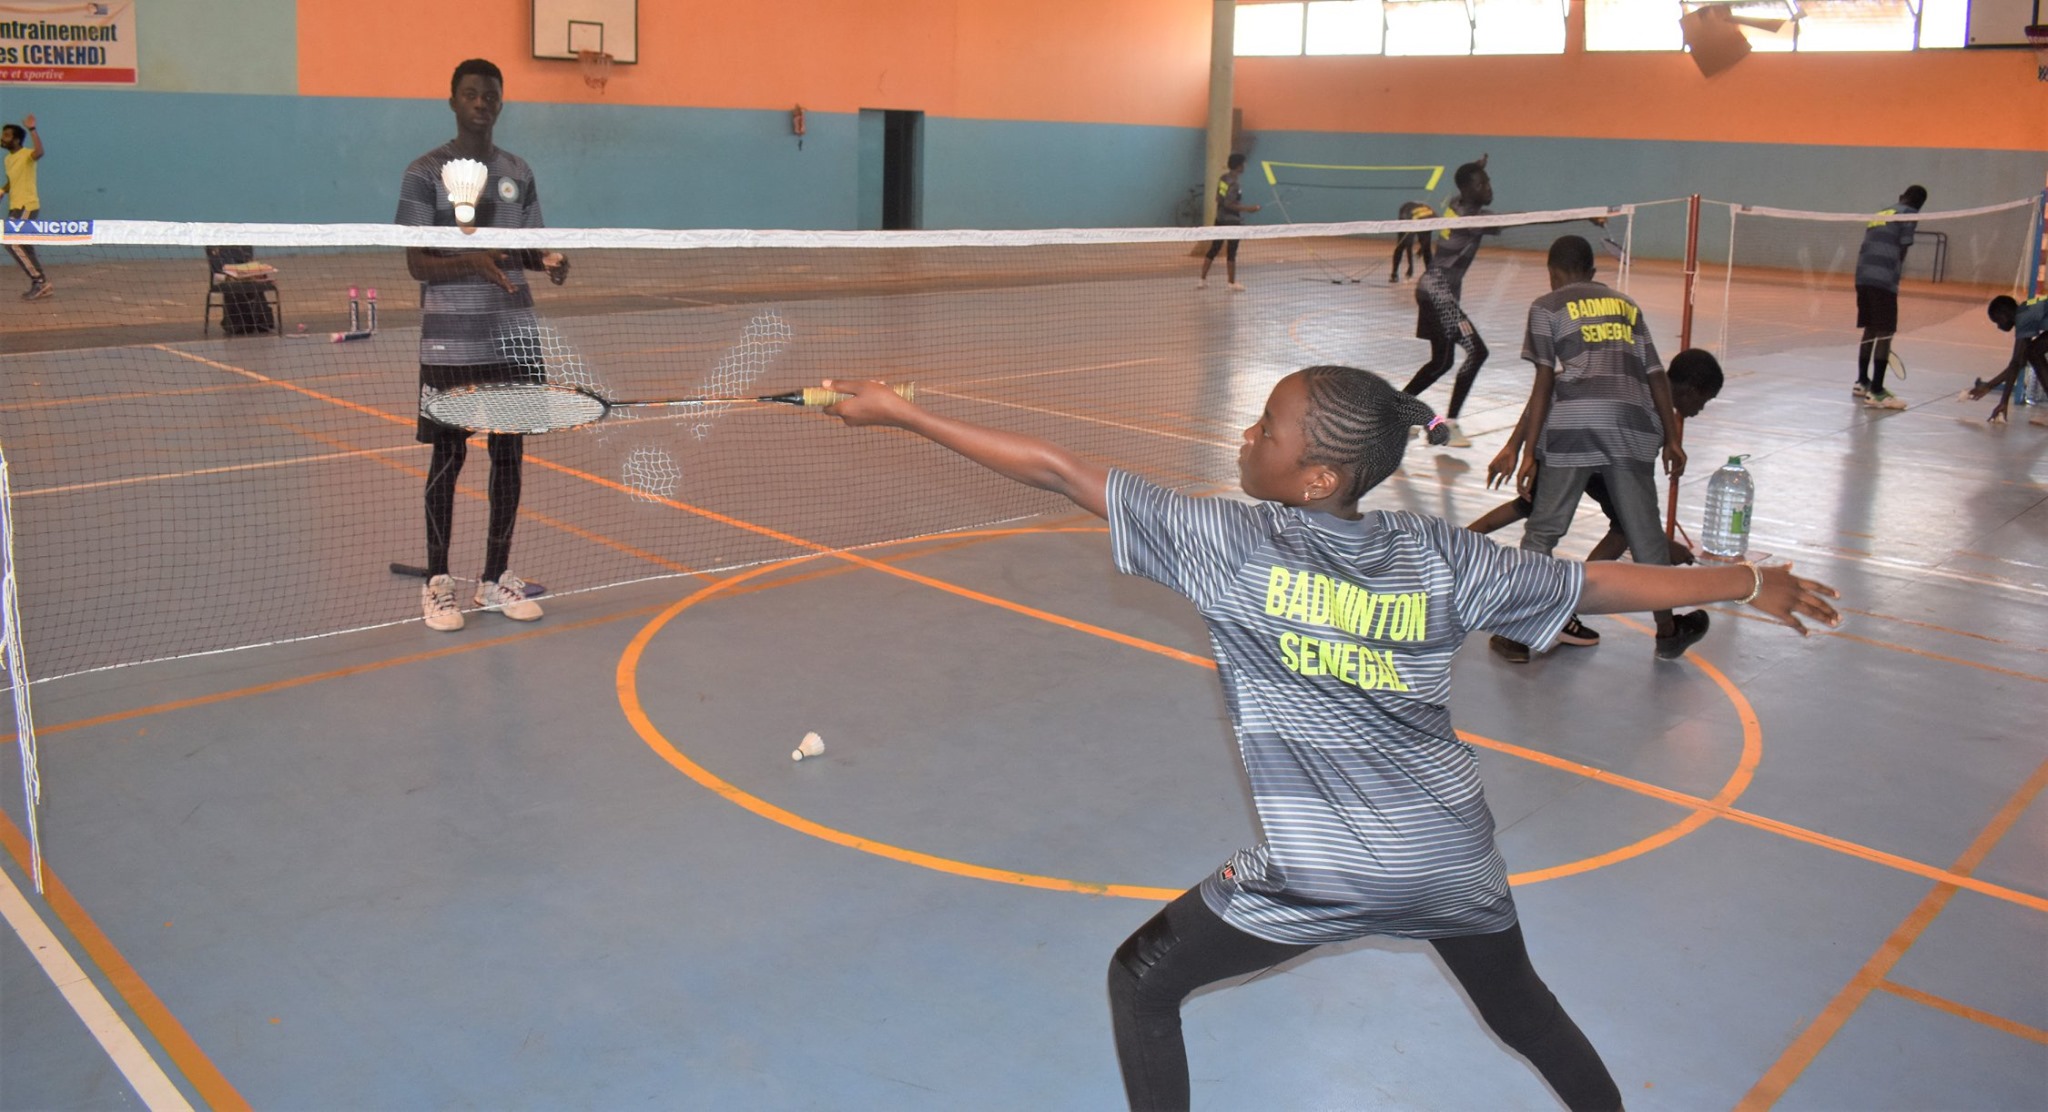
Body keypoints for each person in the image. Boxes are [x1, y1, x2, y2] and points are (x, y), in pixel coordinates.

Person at [821, 366, 1839, 1112]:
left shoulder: (1227, 545)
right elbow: (1602, 582)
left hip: (1320, 868)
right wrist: (1746, 579)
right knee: (1520, 1006)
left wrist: (903, 410)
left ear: (1312, 478)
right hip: (1451, 853)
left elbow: (1056, 469)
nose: (1247, 436)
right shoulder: (1440, 554)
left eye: (1267, 428)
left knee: (1141, 978)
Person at [397, 58, 568, 631]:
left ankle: (495, 579)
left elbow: (528, 249)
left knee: (509, 457)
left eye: (490, 95)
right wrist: (471, 259)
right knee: (447, 458)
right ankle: (438, 583)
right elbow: (416, 262)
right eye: (470, 94)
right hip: (450, 343)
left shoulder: (518, 170)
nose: (480, 103)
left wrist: (550, 262)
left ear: (500, 102)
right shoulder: (424, 172)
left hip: (514, 337)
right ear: (453, 101)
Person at [1495, 235, 1708, 663]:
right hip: (1631, 426)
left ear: (1553, 273)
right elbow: (1656, 376)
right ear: (1594, 273)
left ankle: (1516, 634)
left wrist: (1530, 452)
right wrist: (1672, 438)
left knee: (1544, 532)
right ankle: (1667, 631)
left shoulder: (1546, 306)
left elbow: (1544, 383)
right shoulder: (1628, 307)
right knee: (1647, 540)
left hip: (1573, 423)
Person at [1475, 348, 1724, 662]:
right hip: (1575, 446)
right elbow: (1638, 508)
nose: (1701, 409)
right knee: (1547, 526)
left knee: (1548, 518)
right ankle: (1523, 625)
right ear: (1691, 391)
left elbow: (1549, 387)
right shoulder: (1651, 422)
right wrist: (1659, 542)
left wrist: (1520, 447)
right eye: (1705, 400)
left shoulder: (1626, 377)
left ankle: (1556, 612)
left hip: (1572, 443)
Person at [1401, 156, 1499, 447]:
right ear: (1468, 190)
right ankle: (1451, 425)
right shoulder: (1473, 220)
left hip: (1430, 291)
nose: (1489, 188)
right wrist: (1582, 215)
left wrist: (1473, 167)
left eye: (1488, 181)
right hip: (1438, 296)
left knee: (1440, 362)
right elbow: (1518, 220)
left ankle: (1398, 413)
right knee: (1477, 352)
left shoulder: (1456, 204)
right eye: (1482, 184)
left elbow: (1463, 184)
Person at [1851, 185, 1926, 410]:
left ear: (1901, 196)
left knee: (1870, 329)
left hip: (1862, 276)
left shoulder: (1883, 212)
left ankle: (1862, 382)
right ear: (1919, 204)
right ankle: (1877, 392)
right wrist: (1894, 276)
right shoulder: (1910, 214)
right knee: (1885, 333)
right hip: (1883, 280)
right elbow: (1902, 249)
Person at [1962, 293, 2048, 426]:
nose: (1999, 326)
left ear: (2005, 314)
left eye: (1997, 321)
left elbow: (2016, 363)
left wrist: (2003, 401)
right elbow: (2019, 361)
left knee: (2033, 353)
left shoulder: (2023, 318)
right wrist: (1990, 386)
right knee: (2033, 352)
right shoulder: (2026, 309)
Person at [1, 114, 52, 300]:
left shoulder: (26, 155)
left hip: (27, 206)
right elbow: (11, 180)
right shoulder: (8, 159)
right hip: (16, 207)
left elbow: (39, 152)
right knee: (24, 246)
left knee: (12, 241)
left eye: (6, 135)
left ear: (15, 139)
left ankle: (39, 281)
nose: (2, 138)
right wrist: (2, 190)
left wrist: (32, 129)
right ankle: (42, 283)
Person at [1197, 153, 1261, 292]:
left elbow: (1218, 199)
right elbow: (1229, 203)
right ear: (1239, 166)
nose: (1244, 166)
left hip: (1219, 219)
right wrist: (1248, 209)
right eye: (1243, 164)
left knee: (1214, 248)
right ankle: (1231, 283)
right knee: (1231, 252)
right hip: (1232, 222)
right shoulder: (1235, 183)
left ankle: (1202, 280)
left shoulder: (1223, 179)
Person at [1389, 199, 1435, 283]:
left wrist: (1420, 251)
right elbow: (1408, 244)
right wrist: (1411, 268)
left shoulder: (1432, 217)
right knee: (1401, 245)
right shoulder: (1406, 214)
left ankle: (1430, 273)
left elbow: (1426, 243)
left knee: (1427, 249)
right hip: (1408, 216)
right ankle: (1394, 273)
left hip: (1422, 219)